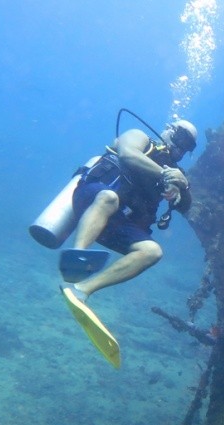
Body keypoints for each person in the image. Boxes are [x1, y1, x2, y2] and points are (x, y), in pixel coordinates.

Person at [62, 119, 198, 302]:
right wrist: (166, 175)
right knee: (109, 198)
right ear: (168, 129)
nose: (180, 148)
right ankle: (76, 259)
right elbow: (128, 154)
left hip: (118, 223)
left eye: (188, 146)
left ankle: (82, 290)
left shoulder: (177, 174)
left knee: (152, 251)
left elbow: (185, 207)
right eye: (180, 137)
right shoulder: (140, 138)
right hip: (91, 199)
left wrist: (184, 186)